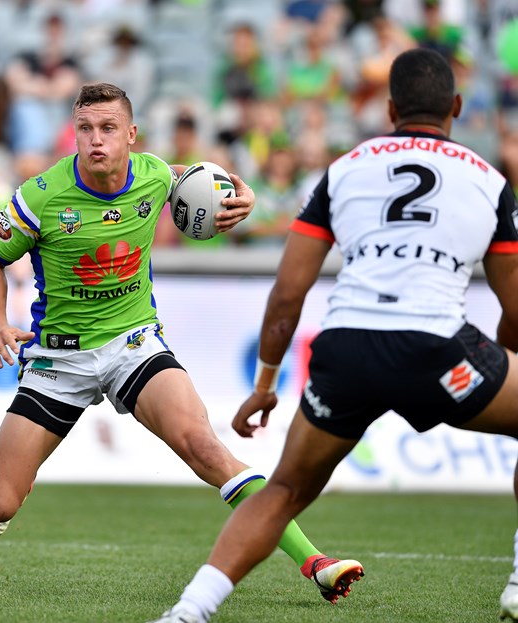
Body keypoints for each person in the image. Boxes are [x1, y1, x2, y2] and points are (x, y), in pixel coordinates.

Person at [147, 47, 518, 623]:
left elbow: (289, 293)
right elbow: (513, 303)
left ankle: (188, 612)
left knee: (285, 492)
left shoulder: (344, 169)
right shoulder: (489, 182)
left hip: (347, 352)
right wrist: (502, 361)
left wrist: (266, 382)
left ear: (390, 108)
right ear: (458, 108)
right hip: (438, 350)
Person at [0, 82, 363, 602]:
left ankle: (316, 562)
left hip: (135, 345)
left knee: (205, 447)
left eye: (109, 129)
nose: (95, 141)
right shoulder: (41, 197)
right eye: (85, 129)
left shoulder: (153, 174)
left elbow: (192, 180)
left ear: (131, 135)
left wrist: (237, 197)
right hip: (58, 360)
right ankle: (16, 477)